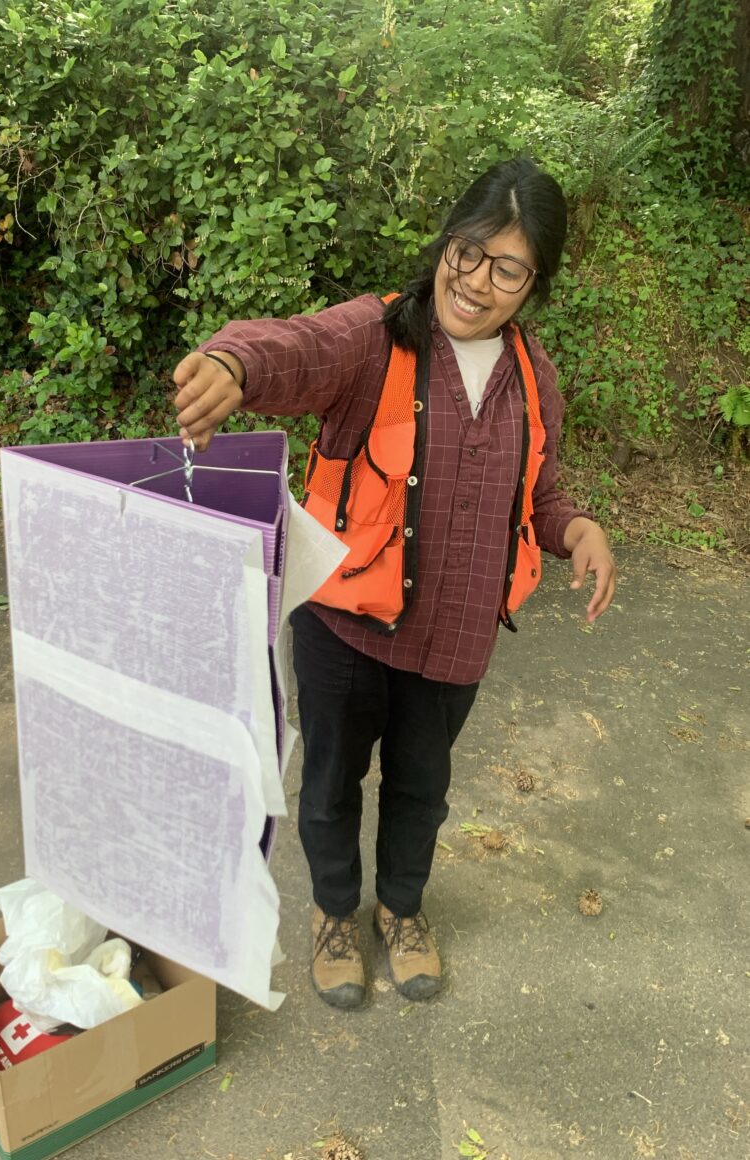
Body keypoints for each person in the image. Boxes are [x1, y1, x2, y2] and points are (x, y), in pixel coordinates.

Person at [172, 158, 617, 1010]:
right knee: (334, 779)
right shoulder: (375, 337)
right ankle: (335, 914)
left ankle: (401, 910)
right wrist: (235, 363)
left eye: (508, 268)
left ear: (535, 285)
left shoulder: (535, 377)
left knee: (423, 786)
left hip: (455, 634)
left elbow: (544, 489)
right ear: (447, 240)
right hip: (344, 625)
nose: (477, 282)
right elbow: (298, 346)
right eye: (469, 251)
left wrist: (578, 531)